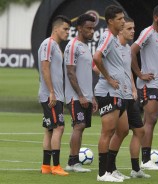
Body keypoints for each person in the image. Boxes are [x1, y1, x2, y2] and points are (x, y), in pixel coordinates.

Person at [109, 17, 151, 179]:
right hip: (116, 95)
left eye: (134, 28)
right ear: (120, 30)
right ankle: (110, 169)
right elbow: (96, 66)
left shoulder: (127, 49)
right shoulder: (112, 47)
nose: (133, 31)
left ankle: (135, 169)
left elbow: (128, 72)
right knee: (121, 131)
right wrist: (112, 81)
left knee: (139, 130)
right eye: (129, 28)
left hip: (129, 95)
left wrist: (134, 88)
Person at [131, 4, 158, 170]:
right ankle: (145, 161)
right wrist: (139, 74)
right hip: (148, 84)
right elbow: (132, 51)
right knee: (150, 119)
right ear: (156, 17)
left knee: (151, 121)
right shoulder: (147, 32)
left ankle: (145, 159)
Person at [93, 5, 127, 182]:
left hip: (118, 92)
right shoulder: (107, 37)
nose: (123, 21)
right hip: (107, 91)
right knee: (107, 131)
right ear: (110, 21)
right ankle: (102, 173)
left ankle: (110, 169)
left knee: (122, 129)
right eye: (120, 19)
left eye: (123, 18)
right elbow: (97, 58)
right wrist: (109, 78)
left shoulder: (114, 38)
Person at [64, 14, 97, 173]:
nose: (92, 31)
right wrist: (81, 96)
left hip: (86, 96)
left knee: (81, 127)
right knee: (79, 125)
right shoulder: (73, 46)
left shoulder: (85, 47)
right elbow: (71, 73)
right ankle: (72, 162)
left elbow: (86, 75)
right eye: (89, 28)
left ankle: (74, 161)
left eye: (93, 28)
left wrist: (92, 97)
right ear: (79, 28)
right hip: (75, 96)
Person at [38, 15, 71, 176]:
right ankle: (56, 166)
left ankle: (45, 166)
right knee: (59, 127)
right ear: (56, 28)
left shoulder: (56, 46)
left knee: (50, 130)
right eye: (65, 29)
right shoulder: (48, 44)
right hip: (51, 96)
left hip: (55, 95)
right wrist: (51, 92)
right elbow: (45, 68)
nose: (67, 32)